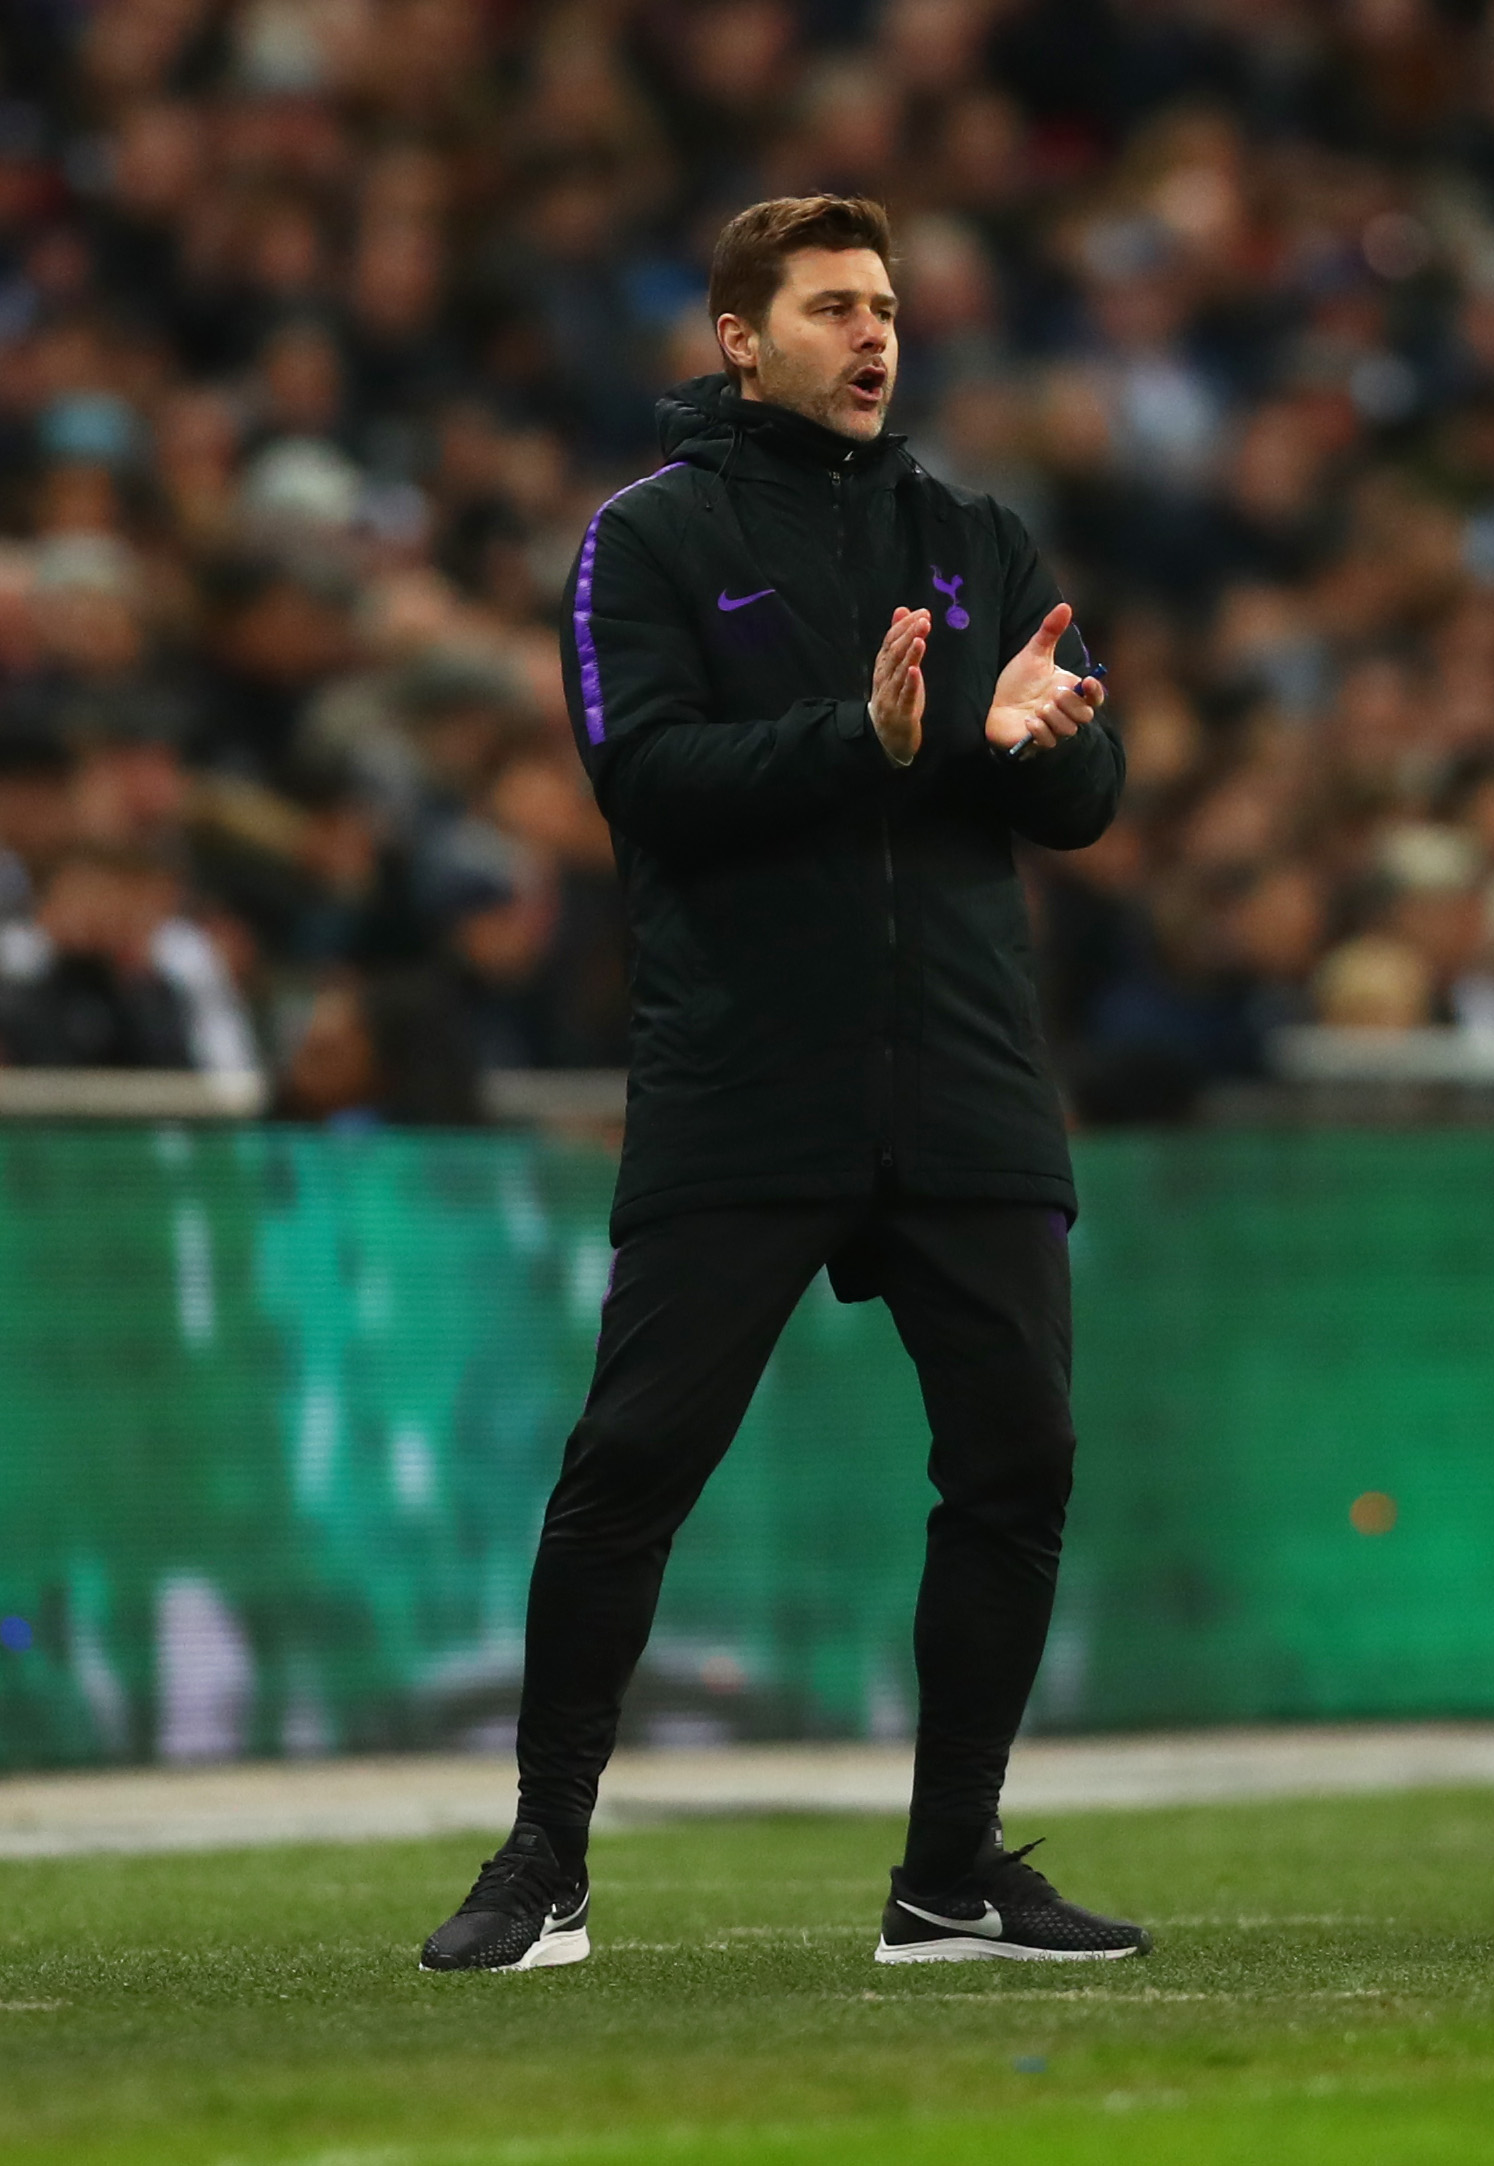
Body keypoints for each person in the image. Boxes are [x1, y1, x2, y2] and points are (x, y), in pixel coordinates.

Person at [417, 197, 1140, 1972]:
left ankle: (950, 1872)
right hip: (746, 1074)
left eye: (883, 305)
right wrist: (867, 739)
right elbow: (644, 777)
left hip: (966, 1073)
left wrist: (1051, 741)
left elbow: (1079, 796)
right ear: (740, 336)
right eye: (830, 307)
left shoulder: (974, 534)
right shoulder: (647, 540)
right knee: (636, 1459)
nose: (871, 334)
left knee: (1019, 1458)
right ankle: (544, 1863)